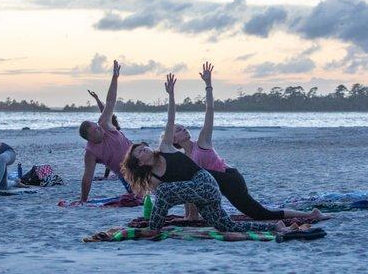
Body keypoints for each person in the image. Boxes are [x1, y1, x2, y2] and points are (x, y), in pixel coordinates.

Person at [121, 73, 301, 233]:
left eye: (143, 147)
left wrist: (171, 95)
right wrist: (189, 216)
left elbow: (170, 119)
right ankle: (274, 226)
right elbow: (180, 193)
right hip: (202, 197)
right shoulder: (153, 177)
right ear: (140, 163)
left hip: (206, 183)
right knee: (226, 226)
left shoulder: (166, 148)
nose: (144, 149)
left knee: (165, 192)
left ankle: (153, 229)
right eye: (139, 152)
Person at [173, 62, 328, 221]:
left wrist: (208, 84)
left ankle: (312, 215)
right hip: (219, 185)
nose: (183, 129)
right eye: (178, 130)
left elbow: (210, 110)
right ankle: (191, 215)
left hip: (231, 180)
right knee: (190, 178)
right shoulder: (186, 158)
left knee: (262, 214)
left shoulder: (202, 142)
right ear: (174, 140)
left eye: (183, 127)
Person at [78, 60, 132, 203]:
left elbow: (110, 102)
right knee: (139, 197)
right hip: (126, 175)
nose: (99, 130)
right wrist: (83, 200)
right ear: (89, 139)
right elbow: (87, 176)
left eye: (97, 127)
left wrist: (114, 78)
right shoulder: (90, 152)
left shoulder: (104, 124)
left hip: (141, 159)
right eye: (95, 132)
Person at [87, 89, 121, 179]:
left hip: (116, 141)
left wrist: (97, 99)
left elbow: (103, 110)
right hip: (113, 140)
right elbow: (103, 110)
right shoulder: (108, 123)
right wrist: (97, 98)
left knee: (112, 157)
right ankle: (109, 175)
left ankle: (107, 176)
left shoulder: (110, 124)